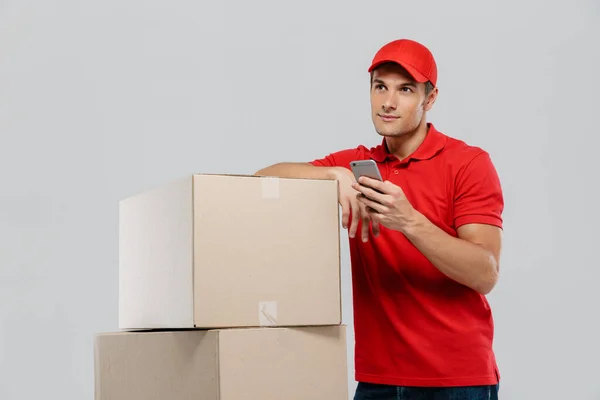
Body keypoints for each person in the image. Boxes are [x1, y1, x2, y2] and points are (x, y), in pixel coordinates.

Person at [255, 38, 504, 400]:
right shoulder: (356, 164)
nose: (388, 102)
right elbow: (261, 179)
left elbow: (486, 273)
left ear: (429, 100)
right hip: (377, 380)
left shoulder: (468, 163)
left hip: (455, 380)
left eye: (405, 89)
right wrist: (331, 175)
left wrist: (409, 221)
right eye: (380, 87)